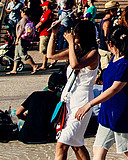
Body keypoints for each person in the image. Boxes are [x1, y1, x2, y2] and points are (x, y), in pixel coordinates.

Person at [75, 25, 128, 159]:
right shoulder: (115, 57)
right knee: (98, 148)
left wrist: (89, 104)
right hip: (108, 111)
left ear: (110, 43)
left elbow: (115, 88)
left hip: (123, 112)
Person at [50, 19, 100, 160]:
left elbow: (75, 65)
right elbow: (51, 55)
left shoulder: (93, 53)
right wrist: (54, 35)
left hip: (82, 102)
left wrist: (71, 43)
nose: (73, 34)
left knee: (62, 143)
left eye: (77, 32)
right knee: (76, 143)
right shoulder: (76, 50)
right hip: (69, 101)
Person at [18, 69, 68, 144]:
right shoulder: (58, 100)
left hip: (24, 137)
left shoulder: (35, 94)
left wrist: (28, 117)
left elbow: (18, 113)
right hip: (43, 137)